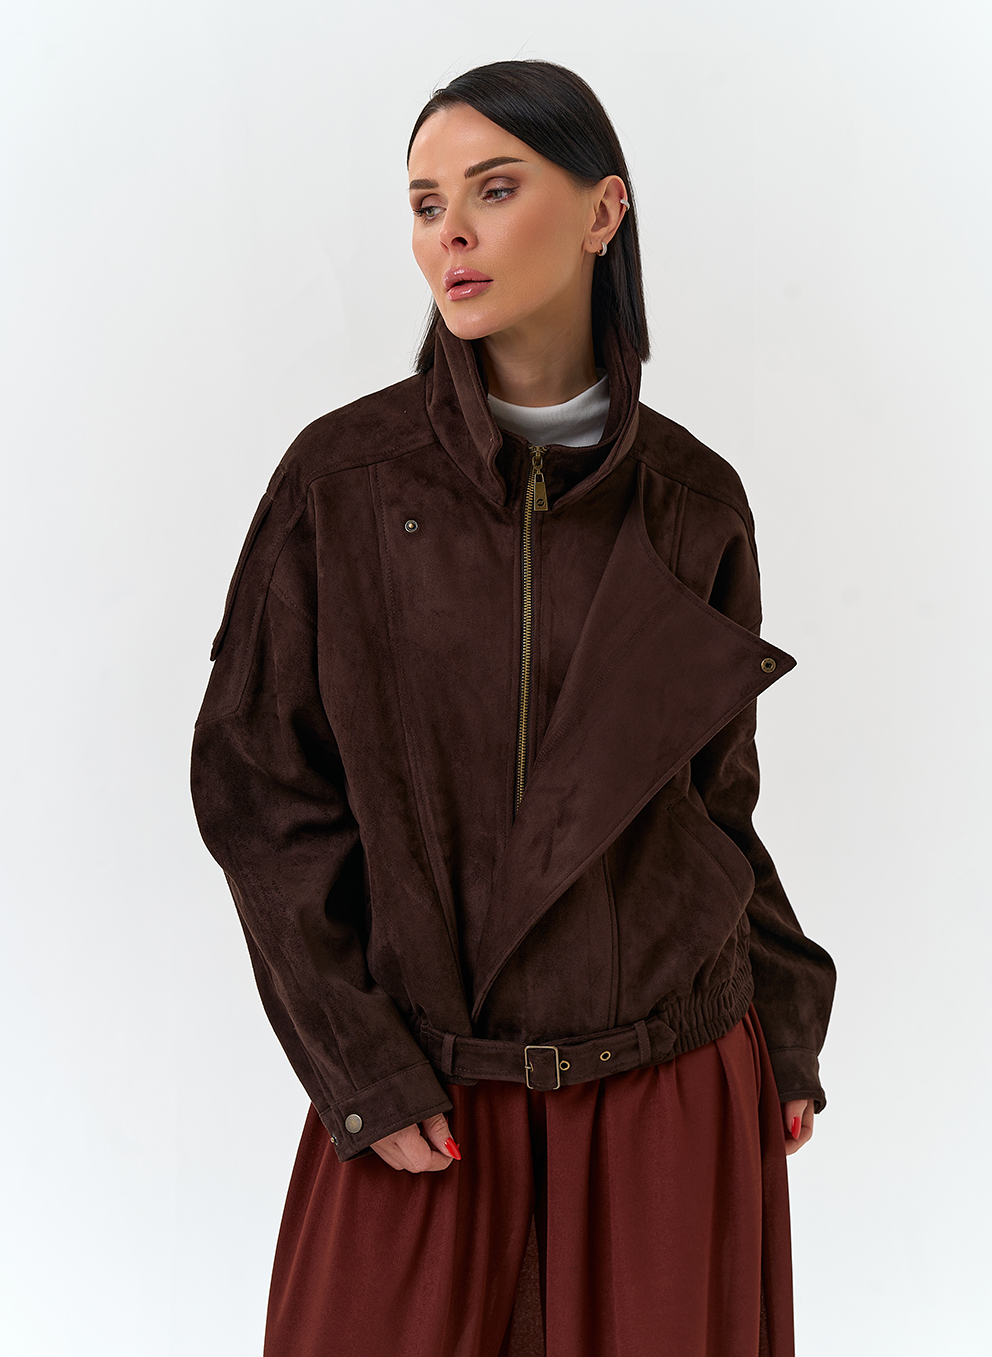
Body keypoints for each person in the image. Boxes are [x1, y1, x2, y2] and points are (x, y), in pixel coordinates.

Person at [190, 58, 836, 1357]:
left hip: (671, 1097)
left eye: (494, 189)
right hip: (432, 1098)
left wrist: (783, 1025)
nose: (452, 235)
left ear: (604, 211)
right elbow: (260, 792)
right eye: (426, 204)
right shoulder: (344, 482)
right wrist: (362, 1065)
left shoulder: (694, 501)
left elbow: (714, 808)